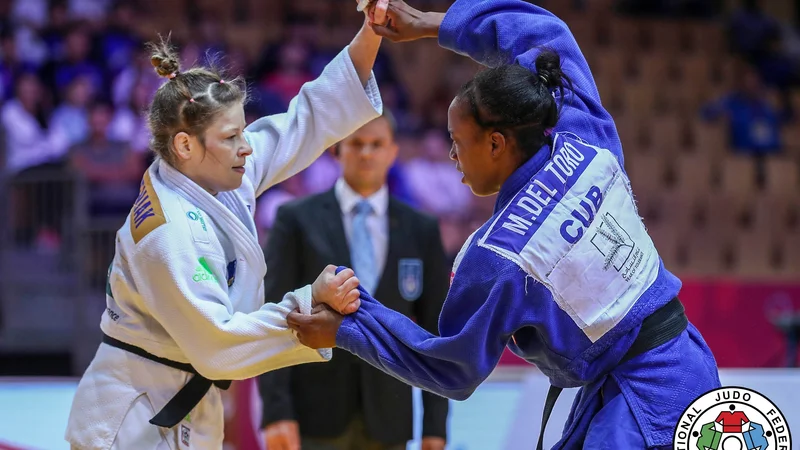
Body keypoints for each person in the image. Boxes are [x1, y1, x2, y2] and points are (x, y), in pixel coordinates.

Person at [286, 1, 722, 449]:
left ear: (496, 143)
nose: (451, 156)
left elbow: (452, 366)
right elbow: (542, 32)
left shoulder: (499, 255)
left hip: (645, 409)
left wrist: (347, 329)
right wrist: (428, 24)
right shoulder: (581, 131)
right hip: (683, 360)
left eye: (458, 142)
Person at [64, 2, 388, 448]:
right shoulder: (169, 232)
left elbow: (305, 122)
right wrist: (308, 301)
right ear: (184, 145)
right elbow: (220, 346)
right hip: (132, 418)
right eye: (231, 137)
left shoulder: (214, 177)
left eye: (243, 132)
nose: (246, 148)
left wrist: (371, 32)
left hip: (180, 399)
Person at [257, 111, 449, 450]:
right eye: (356, 144)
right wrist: (275, 412)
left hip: (390, 413)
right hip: (313, 414)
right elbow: (274, 316)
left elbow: (434, 331)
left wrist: (435, 424)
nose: (366, 153)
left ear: (393, 152)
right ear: (337, 149)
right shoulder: (297, 220)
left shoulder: (421, 229)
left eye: (377, 145)